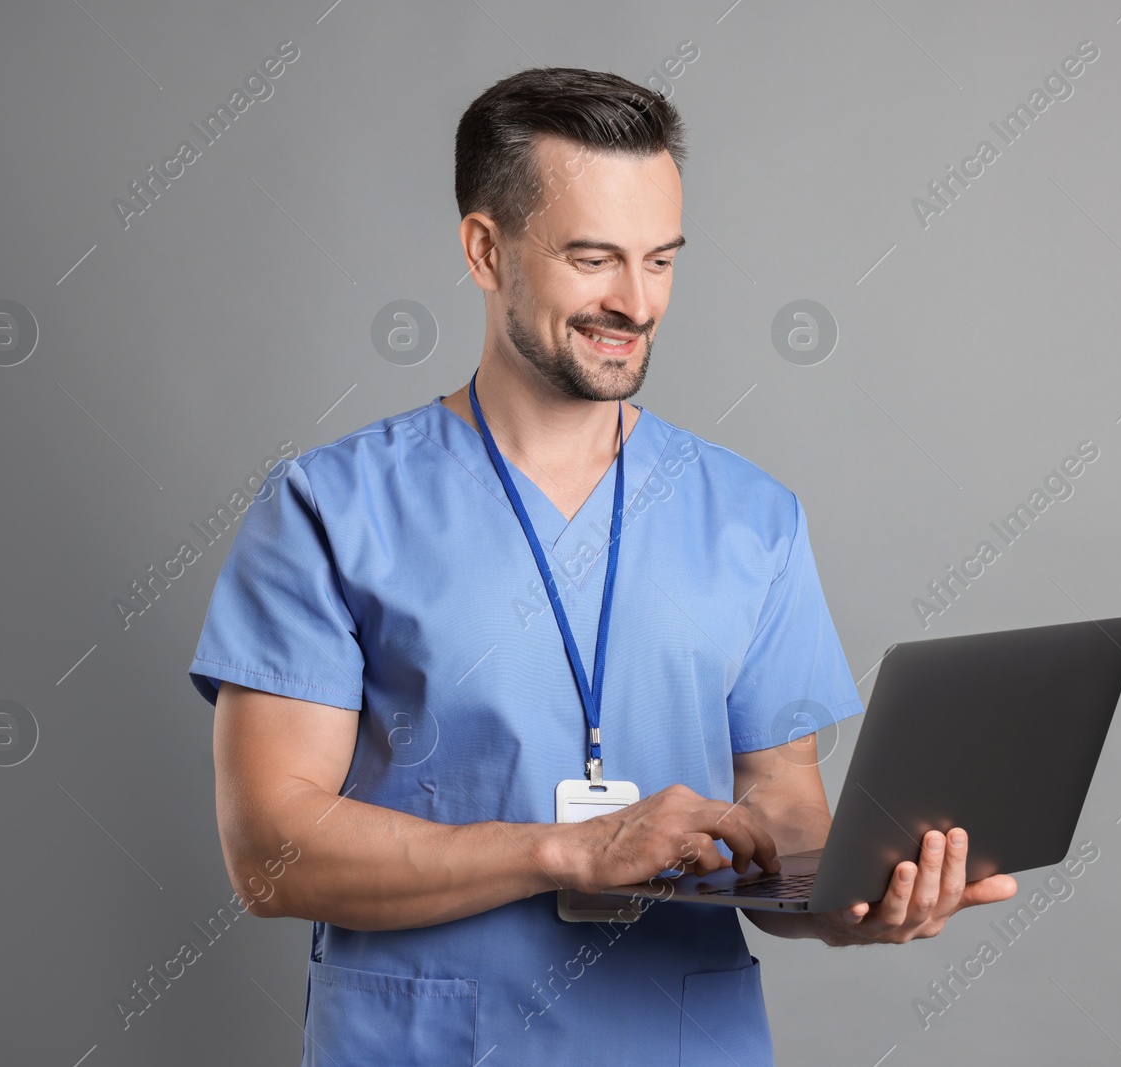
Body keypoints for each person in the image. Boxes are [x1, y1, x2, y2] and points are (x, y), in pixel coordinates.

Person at [187, 66, 1016, 1066]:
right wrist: (564, 850)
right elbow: (271, 852)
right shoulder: (331, 509)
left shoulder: (749, 517)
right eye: (593, 259)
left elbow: (782, 810)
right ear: (485, 249)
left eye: (660, 260)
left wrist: (845, 898)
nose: (635, 301)